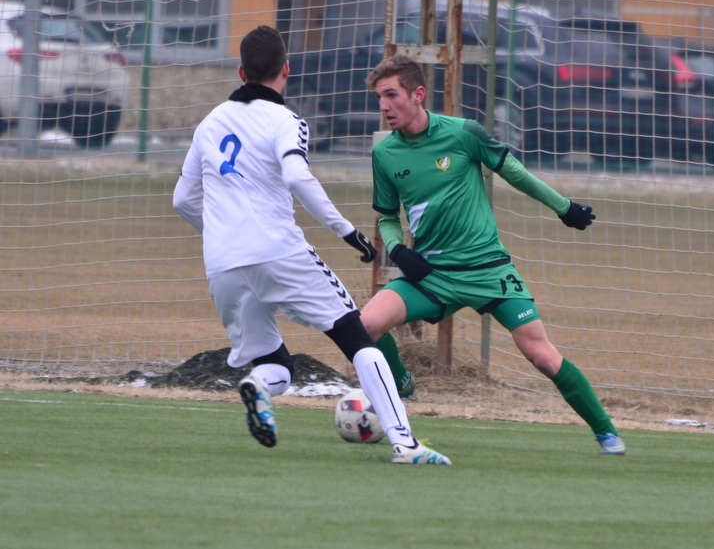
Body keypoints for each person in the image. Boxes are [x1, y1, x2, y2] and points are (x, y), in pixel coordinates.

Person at [172, 27, 449, 465]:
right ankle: (405, 444)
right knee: (360, 341)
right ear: (286, 69)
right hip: (279, 251)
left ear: (241, 71)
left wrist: (223, 235)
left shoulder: (210, 122)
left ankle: (256, 388)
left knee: (275, 366)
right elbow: (298, 176)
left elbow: (182, 200)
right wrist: (346, 230)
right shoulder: (285, 121)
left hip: (223, 263)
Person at [360, 54, 625, 455]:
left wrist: (563, 207)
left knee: (541, 356)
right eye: (379, 97)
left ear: (417, 95)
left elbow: (513, 171)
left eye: (391, 95)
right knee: (364, 325)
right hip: (432, 274)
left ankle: (606, 432)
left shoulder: (464, 133)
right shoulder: (385, 154)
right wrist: (398, 249)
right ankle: (401, 383)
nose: (383, 106)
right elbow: (385, 217)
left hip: (488, 268)